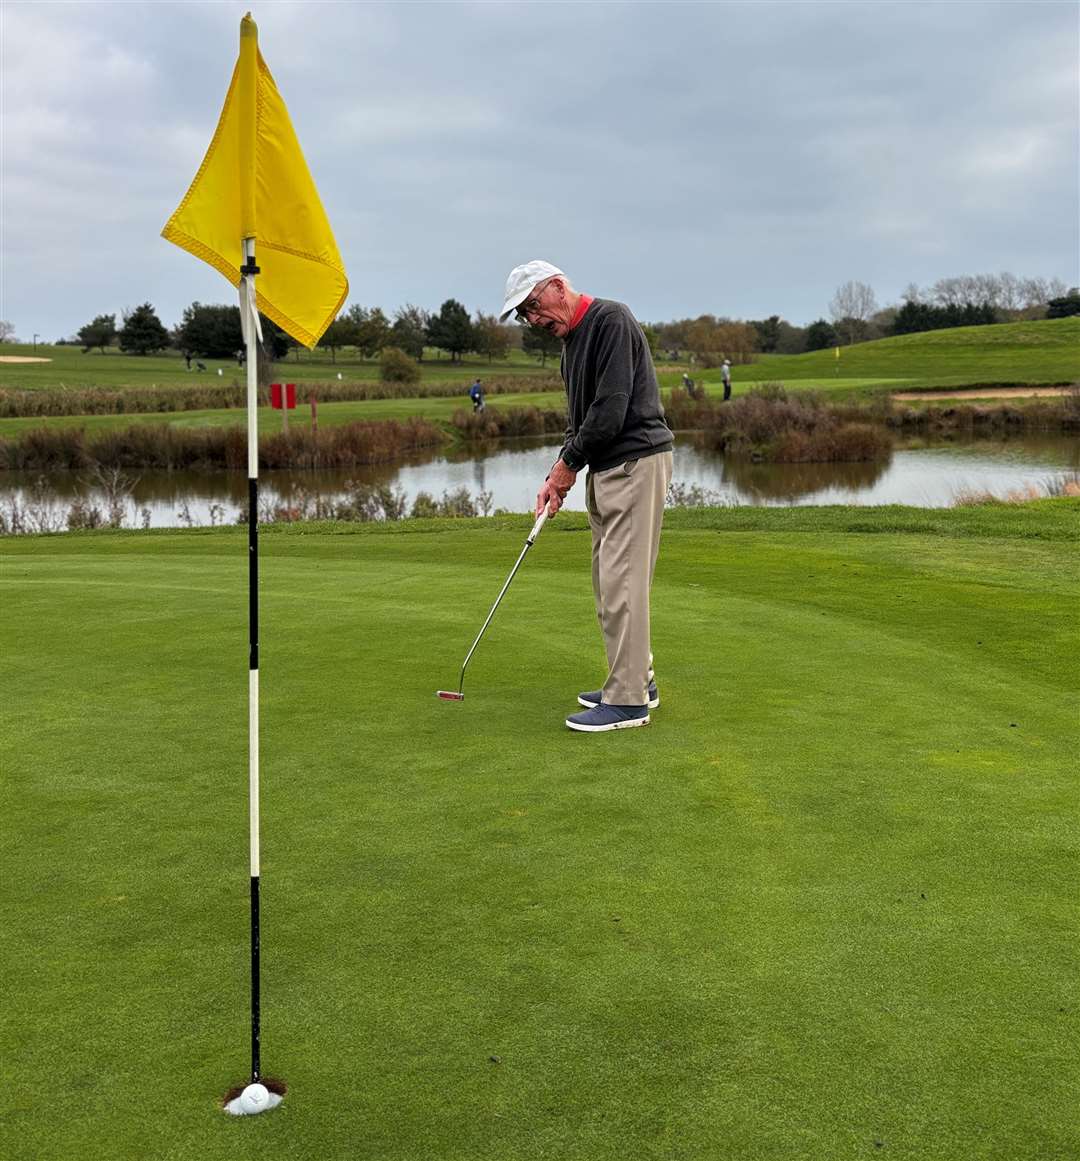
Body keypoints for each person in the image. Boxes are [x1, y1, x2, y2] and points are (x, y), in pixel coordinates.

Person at [499, 260, 674, 733]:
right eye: (524, 315)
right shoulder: (571, 344)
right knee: (607, 581)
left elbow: (611, 409)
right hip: (608, 467)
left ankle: (629, 701)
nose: (533, 320)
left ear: (558, 287)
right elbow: (580, 421)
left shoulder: (611, 320)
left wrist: (567, 464)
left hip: (635, 461)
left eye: (533, 306)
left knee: (623, 584)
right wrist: (560, 471)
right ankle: (638, 678)